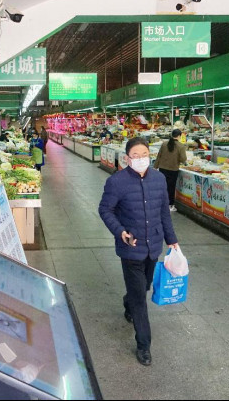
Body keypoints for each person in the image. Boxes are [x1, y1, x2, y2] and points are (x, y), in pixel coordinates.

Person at [98, 137, 180, 367]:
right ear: (127, 158)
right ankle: (144, 345)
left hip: (153, 244)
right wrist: (120, 231)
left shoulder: (159, 179)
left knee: (142, 288)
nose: (141, 159)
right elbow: (105, 209)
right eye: (136, 155)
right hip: (130, 247)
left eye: (144, 154)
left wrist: (171, 240)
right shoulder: (117, 182)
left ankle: (128, 303)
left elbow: (164, 211)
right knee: (140, 300)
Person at [153, 129, 187, 212]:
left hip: (162, 168)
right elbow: (183, 159)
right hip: (173, 169)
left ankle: (161, 203)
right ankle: (170, 205)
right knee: (171, 188)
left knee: (163, 186)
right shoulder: (181, 146)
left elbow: (159, 156)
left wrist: (155, 167)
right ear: (179, 136)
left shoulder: (164, 144)